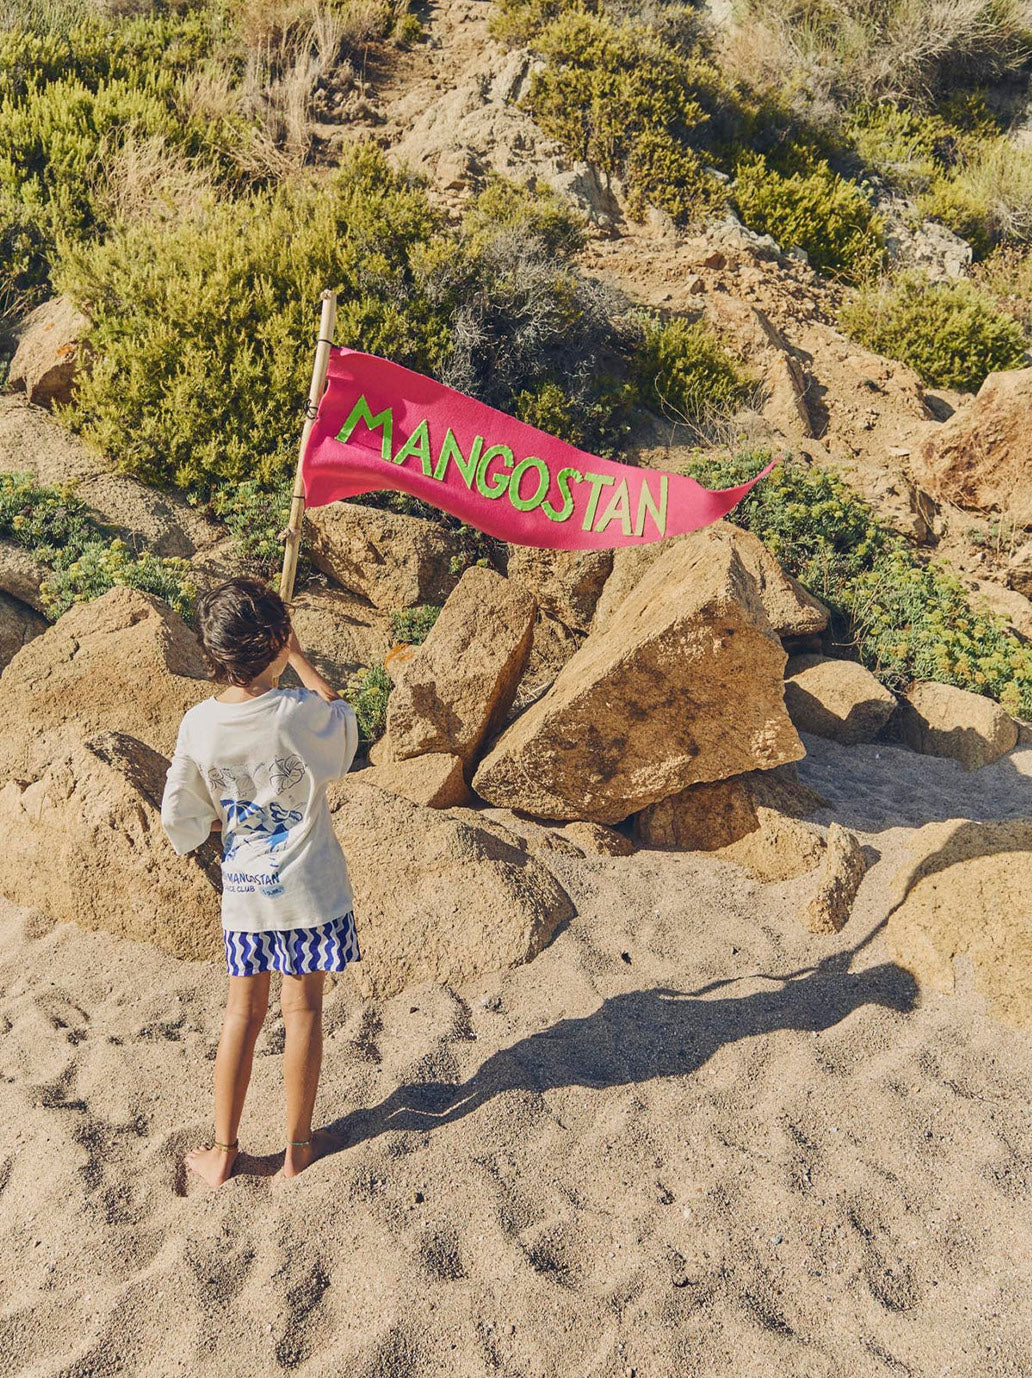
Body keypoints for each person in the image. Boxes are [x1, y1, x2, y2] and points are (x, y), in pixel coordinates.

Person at [160, 577, 359, 1187]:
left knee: (240, 1017)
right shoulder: (296, 713)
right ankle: (296, 1150)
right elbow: (342, 725)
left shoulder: (198, 725)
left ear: (214, 653)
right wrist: (300, 657)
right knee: (302, 1010)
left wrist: (214, 825)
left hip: (246, 893)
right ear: (277, 640)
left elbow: (181, 815)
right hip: (307, 891)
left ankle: (223, 1151)